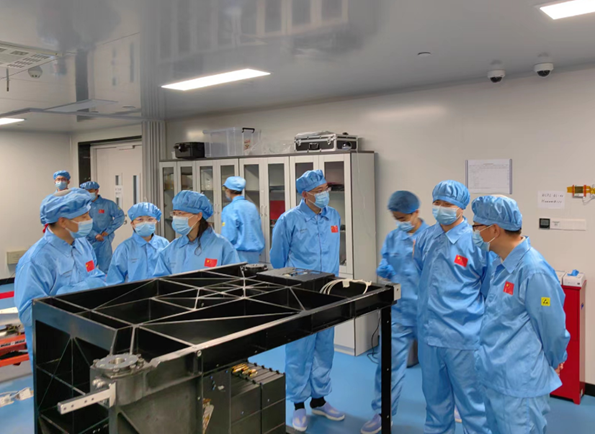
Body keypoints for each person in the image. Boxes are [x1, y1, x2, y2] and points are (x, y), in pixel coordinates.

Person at [472, 195, 570, 434]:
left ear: (494, 229)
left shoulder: (533, 271)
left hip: (519, 386)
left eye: (476, 227)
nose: (473, 233)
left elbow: (552, 326)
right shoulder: (500, 264)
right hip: (495, 376)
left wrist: (556, 358)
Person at [413, 180, 491, 434]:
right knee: (435, 404)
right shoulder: (426, 237)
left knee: (473, 407)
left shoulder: (477, 242)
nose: (440, 207)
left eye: (447, 203)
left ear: (461, 207)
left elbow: (489, 287)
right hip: (429, 335)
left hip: (463, 337)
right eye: (437, 202)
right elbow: (422, 271)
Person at [270, 170, 344, 432]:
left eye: (326, 189)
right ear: (305, 194)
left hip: (328, 293)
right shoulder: (289, 219)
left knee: (324, 348)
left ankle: (319, 400)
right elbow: (278, 260)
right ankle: (298, 405)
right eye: (319, 190)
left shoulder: (333, 216)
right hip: (300, 295)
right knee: (299, 350)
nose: (325, 194)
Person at [361, 191, 428, 434]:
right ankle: (382, 413)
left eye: (403, 218)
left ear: (416, 212)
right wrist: (385, 269)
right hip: (398, 312)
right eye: (396, 218)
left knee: (438, 368)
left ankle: (449, 408)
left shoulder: (431, 239)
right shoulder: (393, 237)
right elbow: (386, 263)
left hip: (427, 313)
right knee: (387, 366)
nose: (400, 222)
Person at [14, 189, 107, 363]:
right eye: (84, 217)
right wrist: (70, 295)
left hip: (86, 335)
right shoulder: (36, 260)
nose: (89, 220)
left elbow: (98, 277)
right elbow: (27, 313)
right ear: (63, 221)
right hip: (53, 346)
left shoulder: (82, 244)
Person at [154, 190, 240, 276]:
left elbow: (234, 279)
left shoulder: (222, 247)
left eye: (180, 213)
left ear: (198, 215)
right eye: (174, 213)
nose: (176, 218)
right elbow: (159, 282)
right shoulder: (171, 250)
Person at [107, 202, 170, 285]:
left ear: (156, 222)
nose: (145, 223)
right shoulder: (125, 248)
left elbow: (172, 271)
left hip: (161, 291)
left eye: (150, 219)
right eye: (140, 219)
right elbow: (114, 280)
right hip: (134, 292)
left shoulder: (164, 244)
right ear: (132, 224)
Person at [80, 181, 125, 273]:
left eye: (90, 190)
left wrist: (108, 231)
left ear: (97, 191)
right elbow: (80, 223)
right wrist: (94, 234)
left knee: (106, 268)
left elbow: (120, 216)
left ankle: (105, 282)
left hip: (104, 240)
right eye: (86, 191)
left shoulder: (108, 204)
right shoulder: (82, 206)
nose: (88, 193)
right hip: (87, 241)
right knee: (88, 268)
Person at [221, 176, 265, 264]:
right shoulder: (252, 207)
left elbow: (229, 236)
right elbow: (257, 230)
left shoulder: (229, 209)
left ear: (228, 190)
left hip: (237, 255)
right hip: (254, 254)